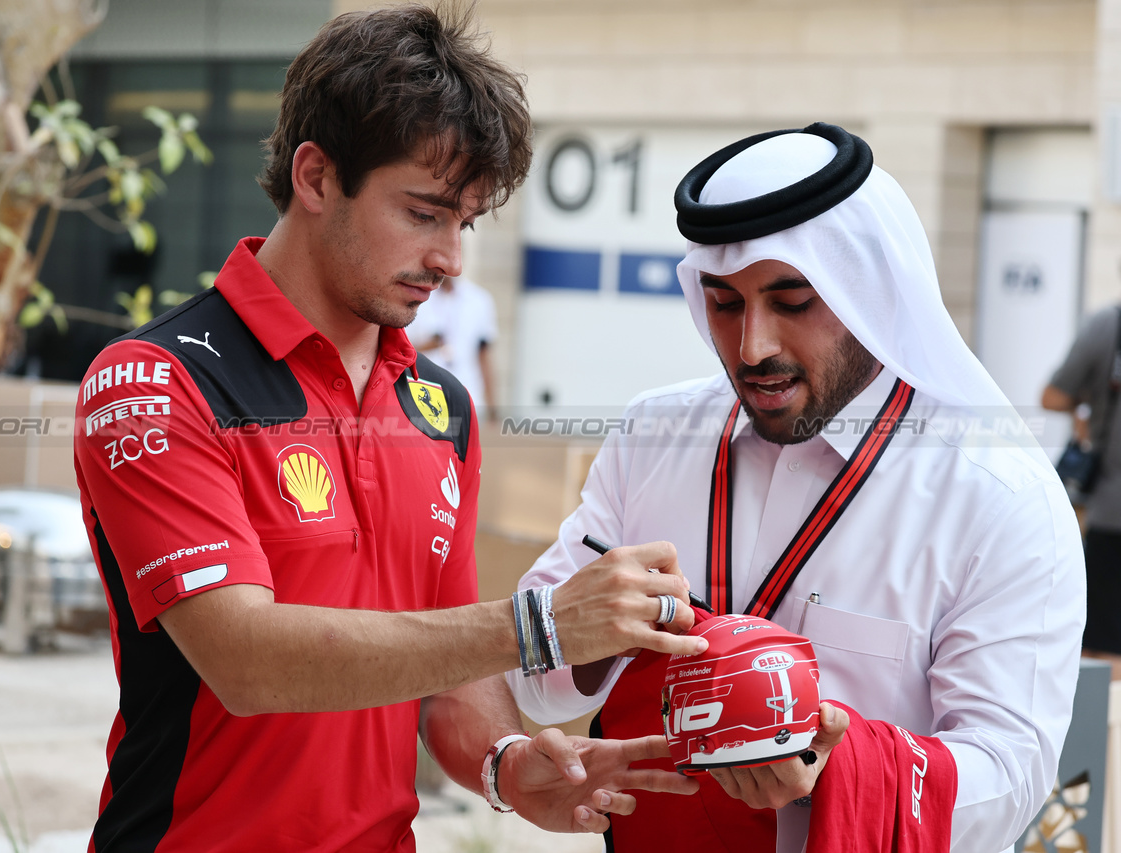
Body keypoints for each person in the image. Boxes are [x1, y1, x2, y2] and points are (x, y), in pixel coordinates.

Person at [71, 6, 708, 852]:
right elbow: (247, 661)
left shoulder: (441, 407)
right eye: (424, 213)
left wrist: (511, 763)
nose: (451, 258)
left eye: (465, 222)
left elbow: (450, 677)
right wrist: (541, 625)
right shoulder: (157, 381)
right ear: (315, 176)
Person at [507, 123, 1086, 852]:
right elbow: (528, 682)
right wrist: (592, 632)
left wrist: (841, 767)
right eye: (724, 304)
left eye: (792, 301)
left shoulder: (999, 499)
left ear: (867, 292)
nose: (754, 347)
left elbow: (1012, 779)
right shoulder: (653, 437)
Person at [1043, 306, 1121, 657]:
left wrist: (1087, 408)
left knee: (1102, 647)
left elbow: (1053, 396)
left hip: (1112, 510)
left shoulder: (1108, 327)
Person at [407, 274, 498, 418]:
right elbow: (399, 350)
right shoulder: (415, 296)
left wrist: (493, 406)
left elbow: (484, 356)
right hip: (424, 395)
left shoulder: (479, 299)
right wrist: (427, 346)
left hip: (468, 394)